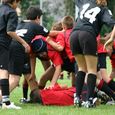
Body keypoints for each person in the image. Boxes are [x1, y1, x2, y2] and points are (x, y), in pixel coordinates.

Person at [1, 6, 58, 104]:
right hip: (18, 49)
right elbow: (50, 33)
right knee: (15, 80)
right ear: (37, 18)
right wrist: (63, 32)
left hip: (9, 47)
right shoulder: (34, 25)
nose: (39, 21)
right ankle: (2, 98)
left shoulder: (20, 23)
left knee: (13, 77)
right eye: (39, 19)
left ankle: (33, 98)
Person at [70, 0, 115, 108]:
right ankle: (89, 100)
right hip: (87, 34)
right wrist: (111, 39)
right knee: (91, 70)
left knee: (81, 68)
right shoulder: (104, 10)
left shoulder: (86, 2)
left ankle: (77, 98)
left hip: (74, 34)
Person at [0, 0, 30, 109]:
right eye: (18, 2)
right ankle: (6, 103)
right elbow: (10, 31)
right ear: (14, 1)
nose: (18, 5)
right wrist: (24, 42)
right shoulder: (11, 12)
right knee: (4, 72)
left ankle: (4, 102)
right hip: (2, 44)